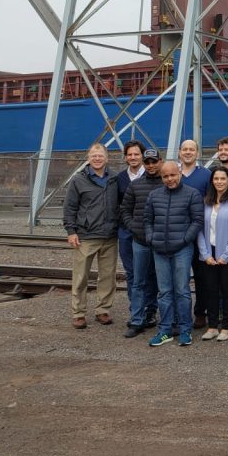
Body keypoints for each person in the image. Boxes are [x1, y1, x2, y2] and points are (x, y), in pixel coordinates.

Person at [144, 161, 204, 347]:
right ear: (161, 177)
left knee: (182, 291)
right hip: (159, 250)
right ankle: (165, 330)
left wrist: (185, 240)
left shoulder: (192, 194)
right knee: (164, 292)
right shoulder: (154, 196)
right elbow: (148, 220)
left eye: (173, 175)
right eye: (165, 176)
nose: (169, 179)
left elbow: (197, 220)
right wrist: (151, 238)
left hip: (182, 250)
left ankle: (186, 329)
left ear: (179, 174)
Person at [63, 143, 120, 329]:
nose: (97, 159)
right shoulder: (78, 180)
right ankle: (78, 313)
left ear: (107, 158)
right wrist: (71, 231)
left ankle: (103, 310)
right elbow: (70, 207)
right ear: (88, 158)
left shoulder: (114, 178)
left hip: (110, 236)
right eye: (93, 156)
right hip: (86, 236)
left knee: (107, 276)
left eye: (100, 156)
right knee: (80, 277)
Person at [196, 167, 228, 342]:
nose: (219, 181)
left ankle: (226, 326)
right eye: (216, 178)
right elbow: (200, 230)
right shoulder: (205, 202)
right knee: (210, 291)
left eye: (222, 178)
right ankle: (212, 326)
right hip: (208, 255)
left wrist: (225, 255)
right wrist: (205, 254)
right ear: (212, 181)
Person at [120, 148, 164, 337]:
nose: (151, 165)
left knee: (161, 282)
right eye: (148, 162)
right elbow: (125, 210)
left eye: (154, 161)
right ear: (144, 164)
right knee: (138, 281)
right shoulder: (135, 185)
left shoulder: (167, 183)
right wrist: (133, 227)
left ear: (160, 161)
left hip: (161, 242)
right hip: (140, 241)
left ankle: (155, 315)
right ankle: (136, 320)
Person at [179, 139, 213, 330]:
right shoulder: (174, 174)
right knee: (181, 277)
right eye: (185, 149)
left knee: (202, 277)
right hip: (179, 233)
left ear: (197, 153)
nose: (188, 152)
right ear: (179, 152)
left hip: (201, 233)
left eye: (192, 149)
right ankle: (182, 314)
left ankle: (201, 313)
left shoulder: (206, 175)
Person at [115, 140, 146, 314]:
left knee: (148, 272)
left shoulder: (151, 175)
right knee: (132, 272)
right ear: (126, 157)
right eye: (130, 154)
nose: (133, 157)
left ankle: (149, 307)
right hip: (126, 231)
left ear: (142, 155)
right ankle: (136, 309)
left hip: (147, 231)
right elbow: (117, 205)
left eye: (136, 154)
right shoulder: (119, 178)